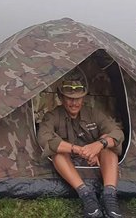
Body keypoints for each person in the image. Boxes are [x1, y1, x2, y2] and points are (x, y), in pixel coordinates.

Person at [37, 67, 125, 218]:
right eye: (69, 98)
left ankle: (109, 195)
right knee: (57, 151)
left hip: (96, 159)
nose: (74, 102)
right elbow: (44, 138)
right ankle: (86, 195)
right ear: (61, 97)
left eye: (78, 98)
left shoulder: (93, 113)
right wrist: (79, 150)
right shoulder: (52, 116)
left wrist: (98, 145)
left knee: (109, 143)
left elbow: (118, 133)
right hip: (68, 160)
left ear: (84, 98)